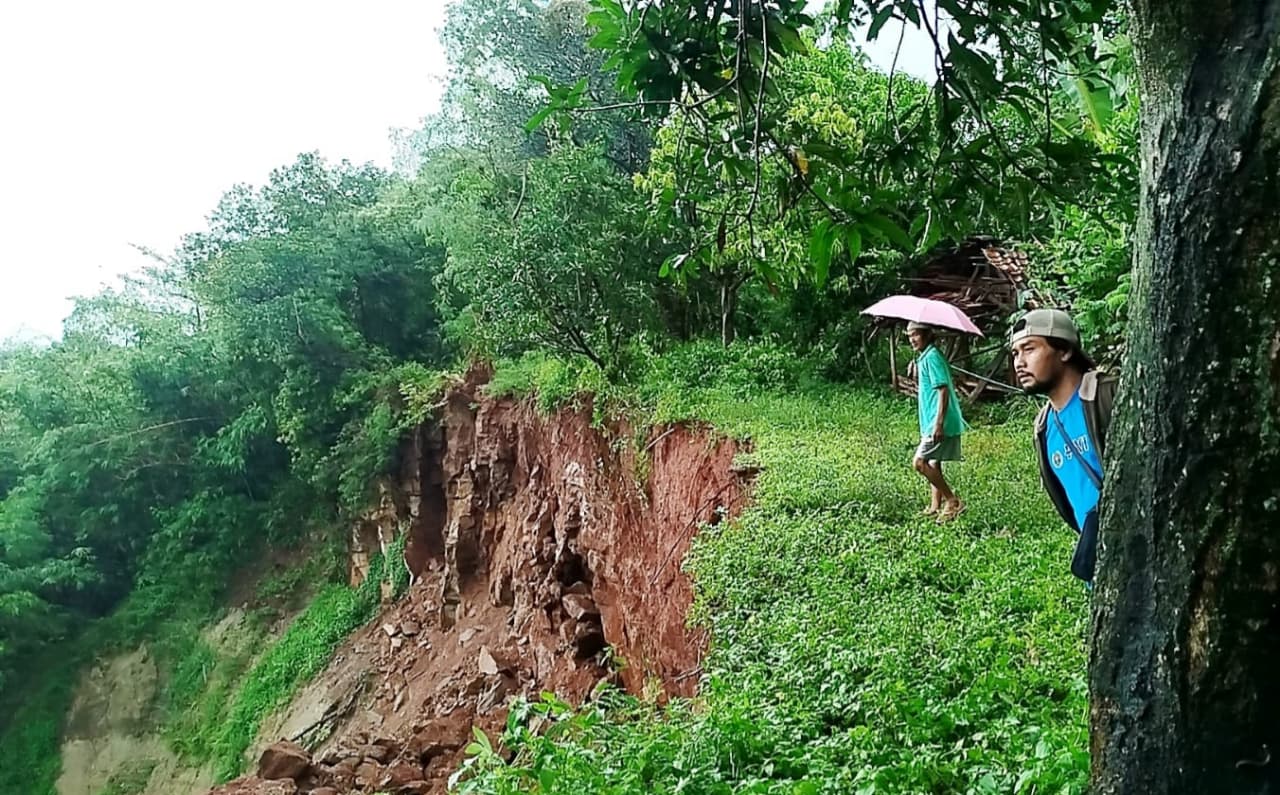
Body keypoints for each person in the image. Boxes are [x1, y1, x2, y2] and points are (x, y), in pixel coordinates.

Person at [1010, 309, 1117, 582]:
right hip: (1099, 572)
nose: (1019, 363)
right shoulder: (1044, 428)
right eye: (1015, 353)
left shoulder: (1108, 397)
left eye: (1029, 349)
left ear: (1065, 351)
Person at [907, 321, 966, 523]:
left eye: (915, 334)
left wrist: (938, 423)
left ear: (926, 334)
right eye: (909, 336)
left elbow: (943, 390)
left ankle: (952, 500)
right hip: (930, 419)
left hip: (938, 420)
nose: (912, 339)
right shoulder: (925, 357)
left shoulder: (932, 356)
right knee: (934, 461)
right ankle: (935, 505)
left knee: (920, 462)